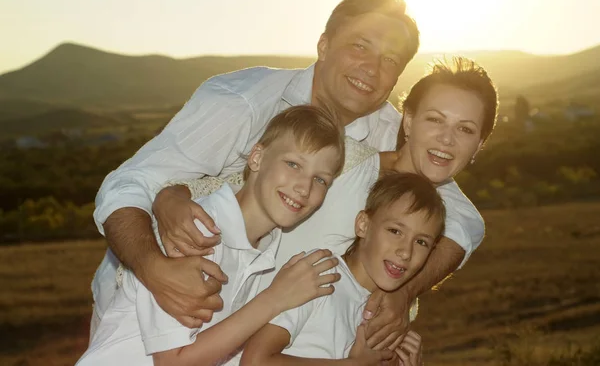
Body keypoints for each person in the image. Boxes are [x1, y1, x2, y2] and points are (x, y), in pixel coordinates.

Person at [160, 56, 498, 353]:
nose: (446, 139)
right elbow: (235, 183)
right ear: (407, 122)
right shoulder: (343, 160)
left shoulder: (423, 234)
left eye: (465, 130)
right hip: (200, 334)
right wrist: (169, 196)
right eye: (435, 120)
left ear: (479, 145)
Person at [77, 106, 346, 365]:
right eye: (293, 164)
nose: (304, 187)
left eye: (321, 179)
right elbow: (172, 361)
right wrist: (277, 298)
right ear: (257, 158)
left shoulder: (265, 251)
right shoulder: (195, 231)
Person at [240, 172, 443, 365]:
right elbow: (255, 361)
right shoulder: (320, 277)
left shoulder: (389, 321)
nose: (406, 252)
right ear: (363, 225)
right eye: (395, 231)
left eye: (421, 242)